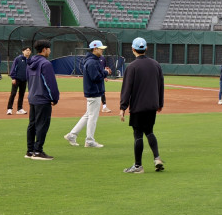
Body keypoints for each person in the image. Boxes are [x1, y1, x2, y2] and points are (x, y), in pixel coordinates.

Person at [119, 37, 165, 174]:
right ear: (146, 48)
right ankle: (157, 158)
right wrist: (160, 103)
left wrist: (123, 107)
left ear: (133, 49)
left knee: (138, 134)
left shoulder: (132, 66)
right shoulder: (156, 64)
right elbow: (161, 85)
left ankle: (138, 166)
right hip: (152, 105)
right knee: (149, 131)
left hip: (138, 106)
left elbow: (126, 89)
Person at [64, 40, 112, 149]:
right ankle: (89, 140)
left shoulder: (93, 60)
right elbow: (95, 77)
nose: (102, 50)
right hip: (94, 92)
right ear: (95, 49)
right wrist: (105, 72)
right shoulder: (92, 62)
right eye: (100, 48)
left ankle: (72, 135)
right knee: (92, 117)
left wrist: (103, 71)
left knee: (88, 115)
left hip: (92, 91)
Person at [25, 40, 59, 160]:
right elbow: (50, 83)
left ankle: (30, 151)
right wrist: (54, 98)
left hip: (33, 97)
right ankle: (38, 151)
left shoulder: (30, 62)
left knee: (32, 124)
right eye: (49, 48)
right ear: (44, 49)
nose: (50, 51)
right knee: (42, 125)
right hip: (43, 98)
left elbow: (28, 80)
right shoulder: (46, 64)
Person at [6, 46, 31, 115]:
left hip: (24, 80)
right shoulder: (18, 59)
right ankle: (9, 109)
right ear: (23, 51)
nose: (28, 51)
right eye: (26, 50)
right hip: (16, 79)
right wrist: (13, 78)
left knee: (21, 94)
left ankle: (19, 109)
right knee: (13, 94)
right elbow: (13, 68)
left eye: (29, 50)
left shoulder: (30, 60)